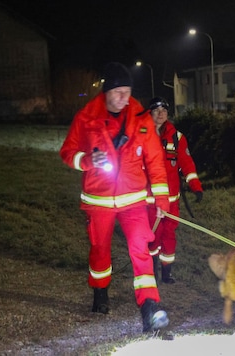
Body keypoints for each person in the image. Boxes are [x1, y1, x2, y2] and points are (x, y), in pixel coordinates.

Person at [59, 62, 170, 332]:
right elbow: (67, 153)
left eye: (128, 92)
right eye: (118, 92)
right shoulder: (86, 117)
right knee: (100, 250)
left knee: (140, 251)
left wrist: (162, 201)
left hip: (133, 201)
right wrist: (86, 160)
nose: (124, 99)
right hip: (99, 201)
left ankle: (149, 307)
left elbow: (156, 162)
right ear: (106, 92)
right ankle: (100, 292)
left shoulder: (142, 118)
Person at [146, 97, 203, 284]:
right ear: (150, 113)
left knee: (169, 236)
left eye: (164, 110)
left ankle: (166, 273)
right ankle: (151, 271)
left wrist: (196, 187)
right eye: (156, 110)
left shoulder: (177, 138)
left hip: (171, 201)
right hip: (150, 201)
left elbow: (187, 164)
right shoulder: (142, 136)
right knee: (153, 237)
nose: (160, 113)